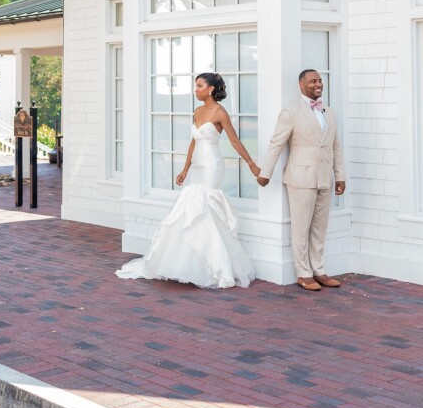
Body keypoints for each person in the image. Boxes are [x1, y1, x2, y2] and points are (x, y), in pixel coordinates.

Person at [116, 72, 258, 289]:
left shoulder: (220, 112)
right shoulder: (197, 111)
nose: (195, 89)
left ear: (210, 89)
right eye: (195, 86)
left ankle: (215, 266)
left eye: (199, 86)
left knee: (206, 207)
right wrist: (185, 168)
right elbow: (193, 142)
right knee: (189, 206)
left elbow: (234, 140)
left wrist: (251, 164)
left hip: (212, 166)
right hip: (198, 165)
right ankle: (186, 263)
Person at [257, 69, 346, 291]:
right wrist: (265, 172)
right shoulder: (291, 111)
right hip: (300, 177)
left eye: (320, 80)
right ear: (301, 85)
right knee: (301, 227)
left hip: (325, 177)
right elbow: (277, 142)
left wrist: (340, 176)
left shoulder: (329, 112)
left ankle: (319, 270)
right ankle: (303, 273)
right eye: (313, 81)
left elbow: (336, 147)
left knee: (319, 227)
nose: (318, 84)